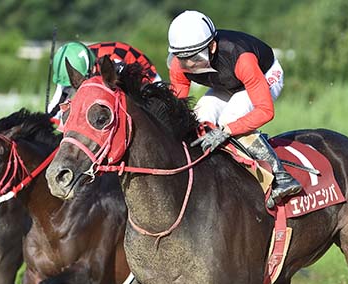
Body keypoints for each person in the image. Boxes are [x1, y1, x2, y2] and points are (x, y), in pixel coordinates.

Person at [167, 10, 301, 208]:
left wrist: (225, 131)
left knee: (231, 118)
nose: (189, 65)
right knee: (200, 117)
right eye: (182, 58)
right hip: (228, 82)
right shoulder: (179, 64)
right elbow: (177, 109)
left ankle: (281, 177)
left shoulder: (241, 58)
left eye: (195, 58)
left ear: (212, 46)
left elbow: (265, 111)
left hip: (264, 74)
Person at [48, 40, 161, 119]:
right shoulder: (71, 69)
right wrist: (47, 119)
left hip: (144, 77)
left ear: (92, 69)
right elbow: (58, 103)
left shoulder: (115, 61)